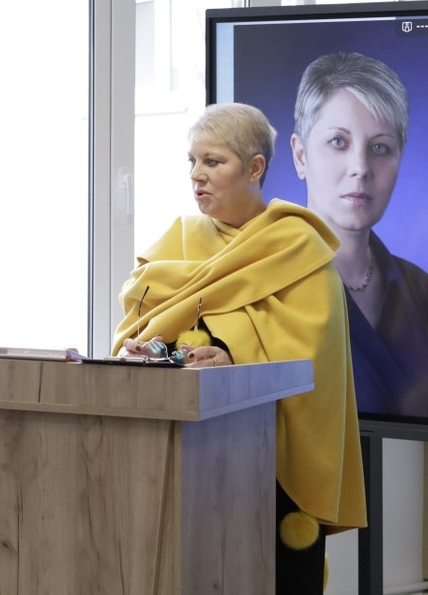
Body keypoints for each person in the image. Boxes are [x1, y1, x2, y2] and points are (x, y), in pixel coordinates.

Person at [112, 102, 365, 595]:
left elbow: (311, 360)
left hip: (269, 468)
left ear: (254, 168)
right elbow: (140, 323)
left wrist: (235, 358)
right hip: (182, 460)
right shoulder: (180, 240)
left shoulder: (298, 246)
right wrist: (151, 350)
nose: (196, 175)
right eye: (192, 161)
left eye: (213, 161)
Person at [290, 52, 428, 419]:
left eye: (380, 147)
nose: (361, 168)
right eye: (339, 142)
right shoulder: (265, 293)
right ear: (301, 156)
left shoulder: (425, 294)